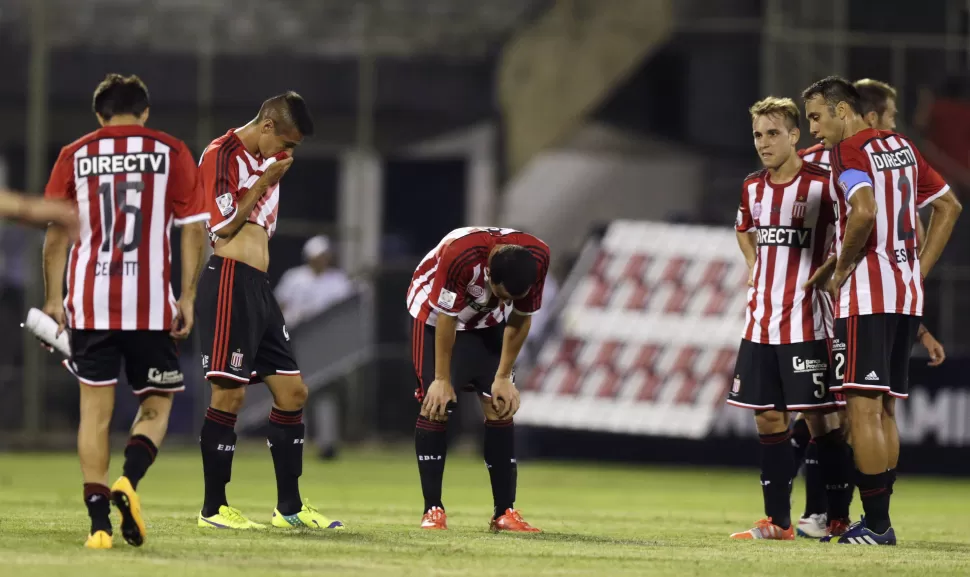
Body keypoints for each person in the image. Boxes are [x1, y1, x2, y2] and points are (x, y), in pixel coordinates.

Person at [41, 74, 209, 549]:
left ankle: (98, 526)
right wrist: (188, 295)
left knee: (94, 414)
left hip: (90, 304)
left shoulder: (75, 154)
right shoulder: (171, 150)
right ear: (145, 112)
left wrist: (54, 298)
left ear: (99, 115)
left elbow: (56, 236)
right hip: (150, 306)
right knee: (156, 405)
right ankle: (128, 482)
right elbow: (194, 229)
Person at [802, 76, 962, 545]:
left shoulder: (849, 152)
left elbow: (865, 212)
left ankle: (875, 524)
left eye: (816, 115)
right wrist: (917, 270)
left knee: (862, 410)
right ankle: (880, 519)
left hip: (868, 297)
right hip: (906, 295)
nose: (814, 128)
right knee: (886, 411)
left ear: (843, 111)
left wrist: (841, 268)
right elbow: (949, 207)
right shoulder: (903, 147)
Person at [195, 92, 343, 531]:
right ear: (266, 126)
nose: (289, 154)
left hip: (258, 286)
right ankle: (213, 508)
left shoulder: (269, 158)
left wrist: (269, 172)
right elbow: (222, 226)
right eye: (287, 143)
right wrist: (264, 179)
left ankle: (290, 508)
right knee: (229, 395)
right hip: (228, 280)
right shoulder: (221, 154)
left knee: (294, 392)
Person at [727, 97, 852, 541]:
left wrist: (836, 270)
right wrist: (753, 266)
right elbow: (743, 227)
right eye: (758, 134)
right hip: (759, 320)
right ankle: (778, 522)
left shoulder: (823, 184)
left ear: (795, 135)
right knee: (767, 417)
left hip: (806, 321)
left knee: (823, 420)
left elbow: (857, 228)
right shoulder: (752, 187)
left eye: (773, 133)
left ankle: (837, 515)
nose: (764, 143)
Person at [407, 226, 549, 531]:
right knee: (436, 404)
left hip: (486, 322)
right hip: (433, 317)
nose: (505, 301)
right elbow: (447, 317)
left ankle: (504, 512)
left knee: (500, 404)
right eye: (501, 295)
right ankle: (432, 509)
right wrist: (442, 379)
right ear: (488, 275)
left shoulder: (538, 256)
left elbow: (521, 317)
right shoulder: (461, 254)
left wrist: (504, 376)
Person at [275, 234, 354, 327]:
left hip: (328, 329)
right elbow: (280, 305)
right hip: (296, 328)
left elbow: (347, 307)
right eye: (320, 255)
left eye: (325, 255)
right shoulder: (293, 277)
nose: (323, 259)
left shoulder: (339, 279)